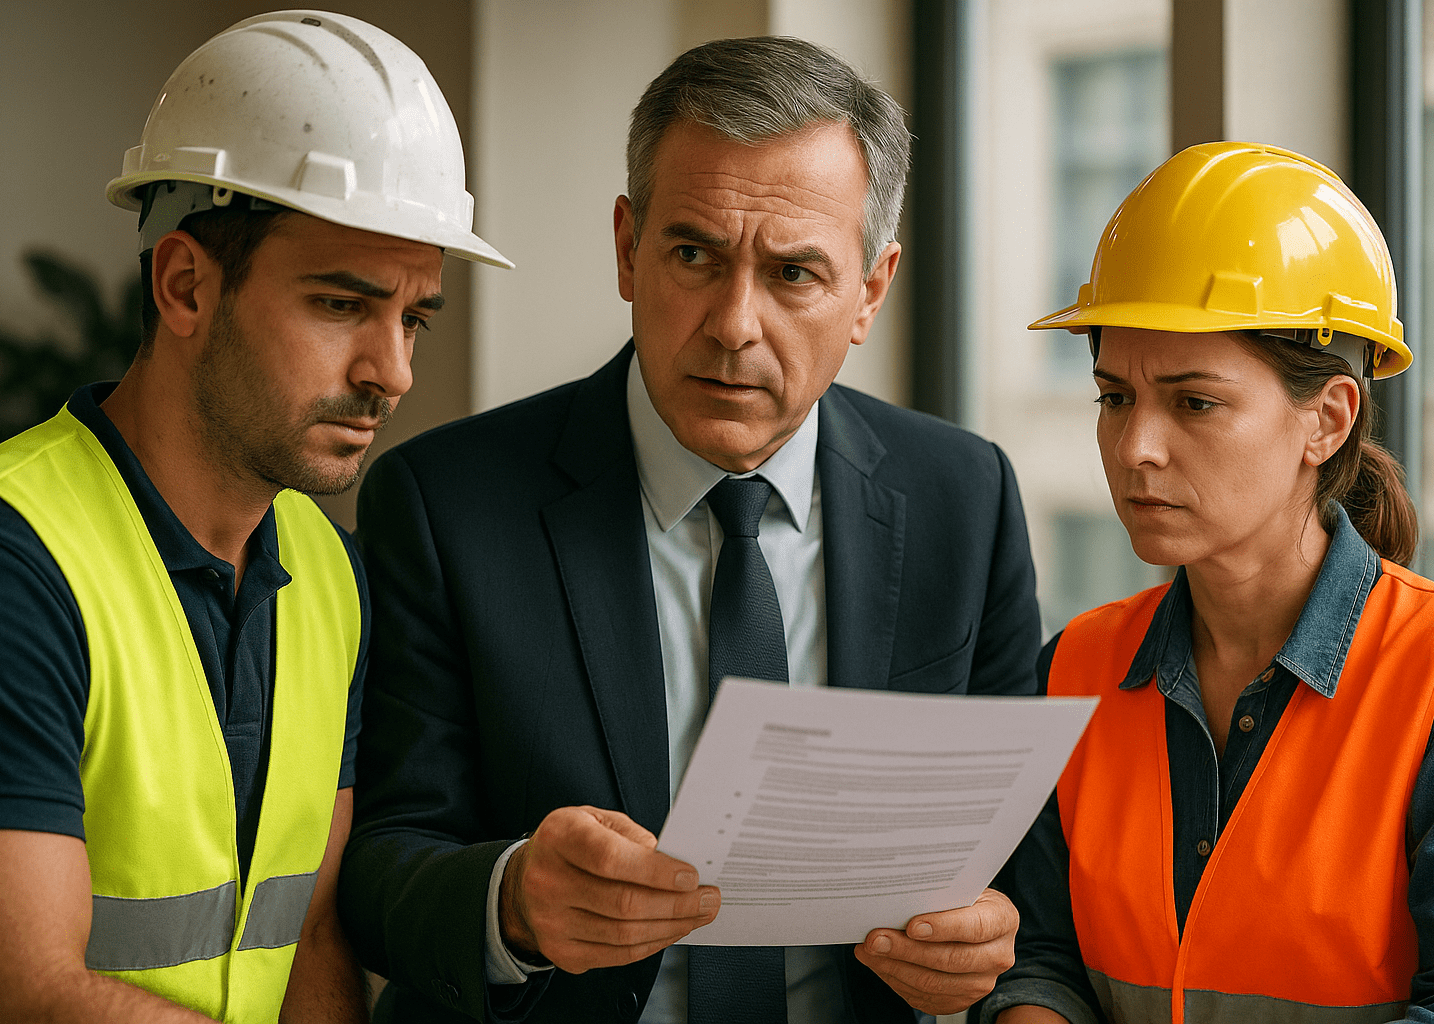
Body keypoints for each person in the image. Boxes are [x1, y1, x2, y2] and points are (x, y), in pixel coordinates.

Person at [339, 34, 1042, 1024]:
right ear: (628, 248)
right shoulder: (444, 504)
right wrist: (513, 902)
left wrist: (987, 939)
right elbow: (377, 867)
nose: (733, 323)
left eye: (794, 273)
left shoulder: (964, 499)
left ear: (869, 293)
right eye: (692, 254)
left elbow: (1021, 870)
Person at [0, 11, 510, 1023]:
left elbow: (310, 937)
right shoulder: (7, 561)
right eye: (342, 305)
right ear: (185, 286)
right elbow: (18, 990)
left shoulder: (327, 570)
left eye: (412, 317)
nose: (389, 373)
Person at [984, 141, 1434, 1024]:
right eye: (1115, 398)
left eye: (1194, 403)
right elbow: (1040, 954)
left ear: (1327, 420)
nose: (1136, 447)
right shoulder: (1072, 667)